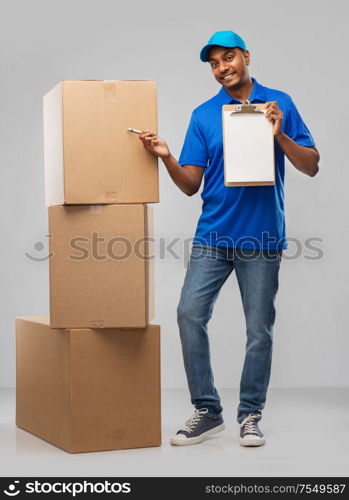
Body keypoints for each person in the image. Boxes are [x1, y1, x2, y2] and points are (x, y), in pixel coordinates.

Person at [139, 30, 319, 447]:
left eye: (229, 58)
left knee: (259, 330)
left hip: (262, 239)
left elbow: (310, 165)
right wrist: (166, 155)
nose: (223, 68)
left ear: (246, 56)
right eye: (215, 63)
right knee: (189, 314)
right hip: (213, 237)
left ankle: (250, 414)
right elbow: (189, 185)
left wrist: (279, 134)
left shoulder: (280, 104)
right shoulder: (204, 115)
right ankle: (208, 410)